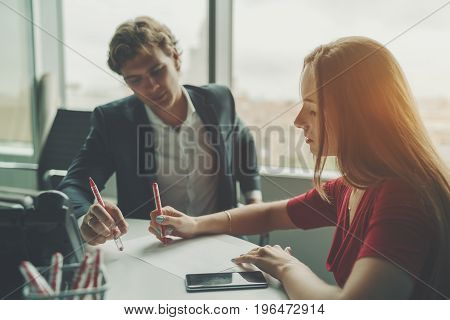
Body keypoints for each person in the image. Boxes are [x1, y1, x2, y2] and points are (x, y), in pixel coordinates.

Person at [149, 36, 450, 299]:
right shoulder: (353, 185)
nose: (297, 121)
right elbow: (270, 213)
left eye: (313, 108)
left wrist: (285, 266)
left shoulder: (403, 195)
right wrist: (194, 224)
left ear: (358, 115)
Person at [58, 16, 262, 246]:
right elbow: (74, 184)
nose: (151, 86)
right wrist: (87, 218)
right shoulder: (114, 121)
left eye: (156, 71)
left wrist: (252, 195)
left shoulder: (218, 99)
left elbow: (242, 136)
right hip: (154, 246)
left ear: (176, 58)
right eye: (135, 80)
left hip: (222, 240)